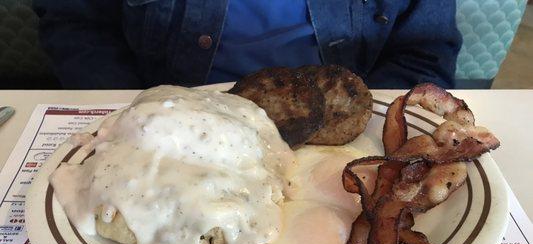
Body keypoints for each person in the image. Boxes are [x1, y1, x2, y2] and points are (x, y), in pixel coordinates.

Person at [33, 0, 462, 89]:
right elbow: (77, 25)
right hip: (167, 117)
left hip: (343, 141)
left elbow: (425, 52)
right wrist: (140, 114)